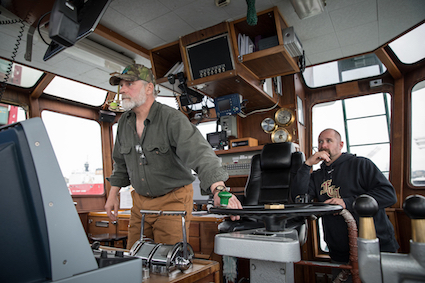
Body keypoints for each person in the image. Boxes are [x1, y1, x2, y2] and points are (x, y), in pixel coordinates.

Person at [105, 64, 242, 249]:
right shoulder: (123, 124)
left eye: (129, 84)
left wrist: (219, 189)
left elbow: (201, 155)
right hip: (140, 203)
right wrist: (112, 195)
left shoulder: (172, 119)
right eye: (121, 85)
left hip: (172, 201)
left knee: (167, 262)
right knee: (135, 258)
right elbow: (121, 164)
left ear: (149, 87)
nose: (122, 89)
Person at [290, 128, 399, 282]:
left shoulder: (361, 164)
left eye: (329, 141)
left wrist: (347, 202)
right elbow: (298, 197)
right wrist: (307, 165)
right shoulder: (317, 176)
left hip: (376, 246)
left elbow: (388, 195)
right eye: (320, 141)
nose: (323, 145)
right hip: (339, 251)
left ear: (340, 144)